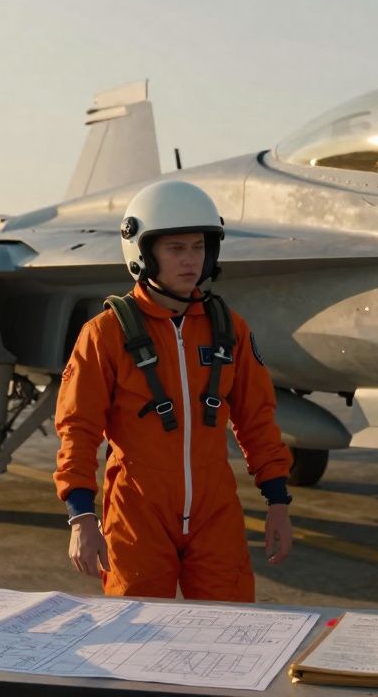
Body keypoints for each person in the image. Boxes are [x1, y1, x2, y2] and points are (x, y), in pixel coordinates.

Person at [53, 180, 294, 603]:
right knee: (137, 634)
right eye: (175, 248)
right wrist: (81, 517)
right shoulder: (105, 334)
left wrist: (277, 502)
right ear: (144, 253)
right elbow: (78, 429)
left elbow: (257, 418)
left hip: (215, 515)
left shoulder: (229, 330)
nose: (190, 260)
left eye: (198, 247)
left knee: (229, 631)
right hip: (137, 515)